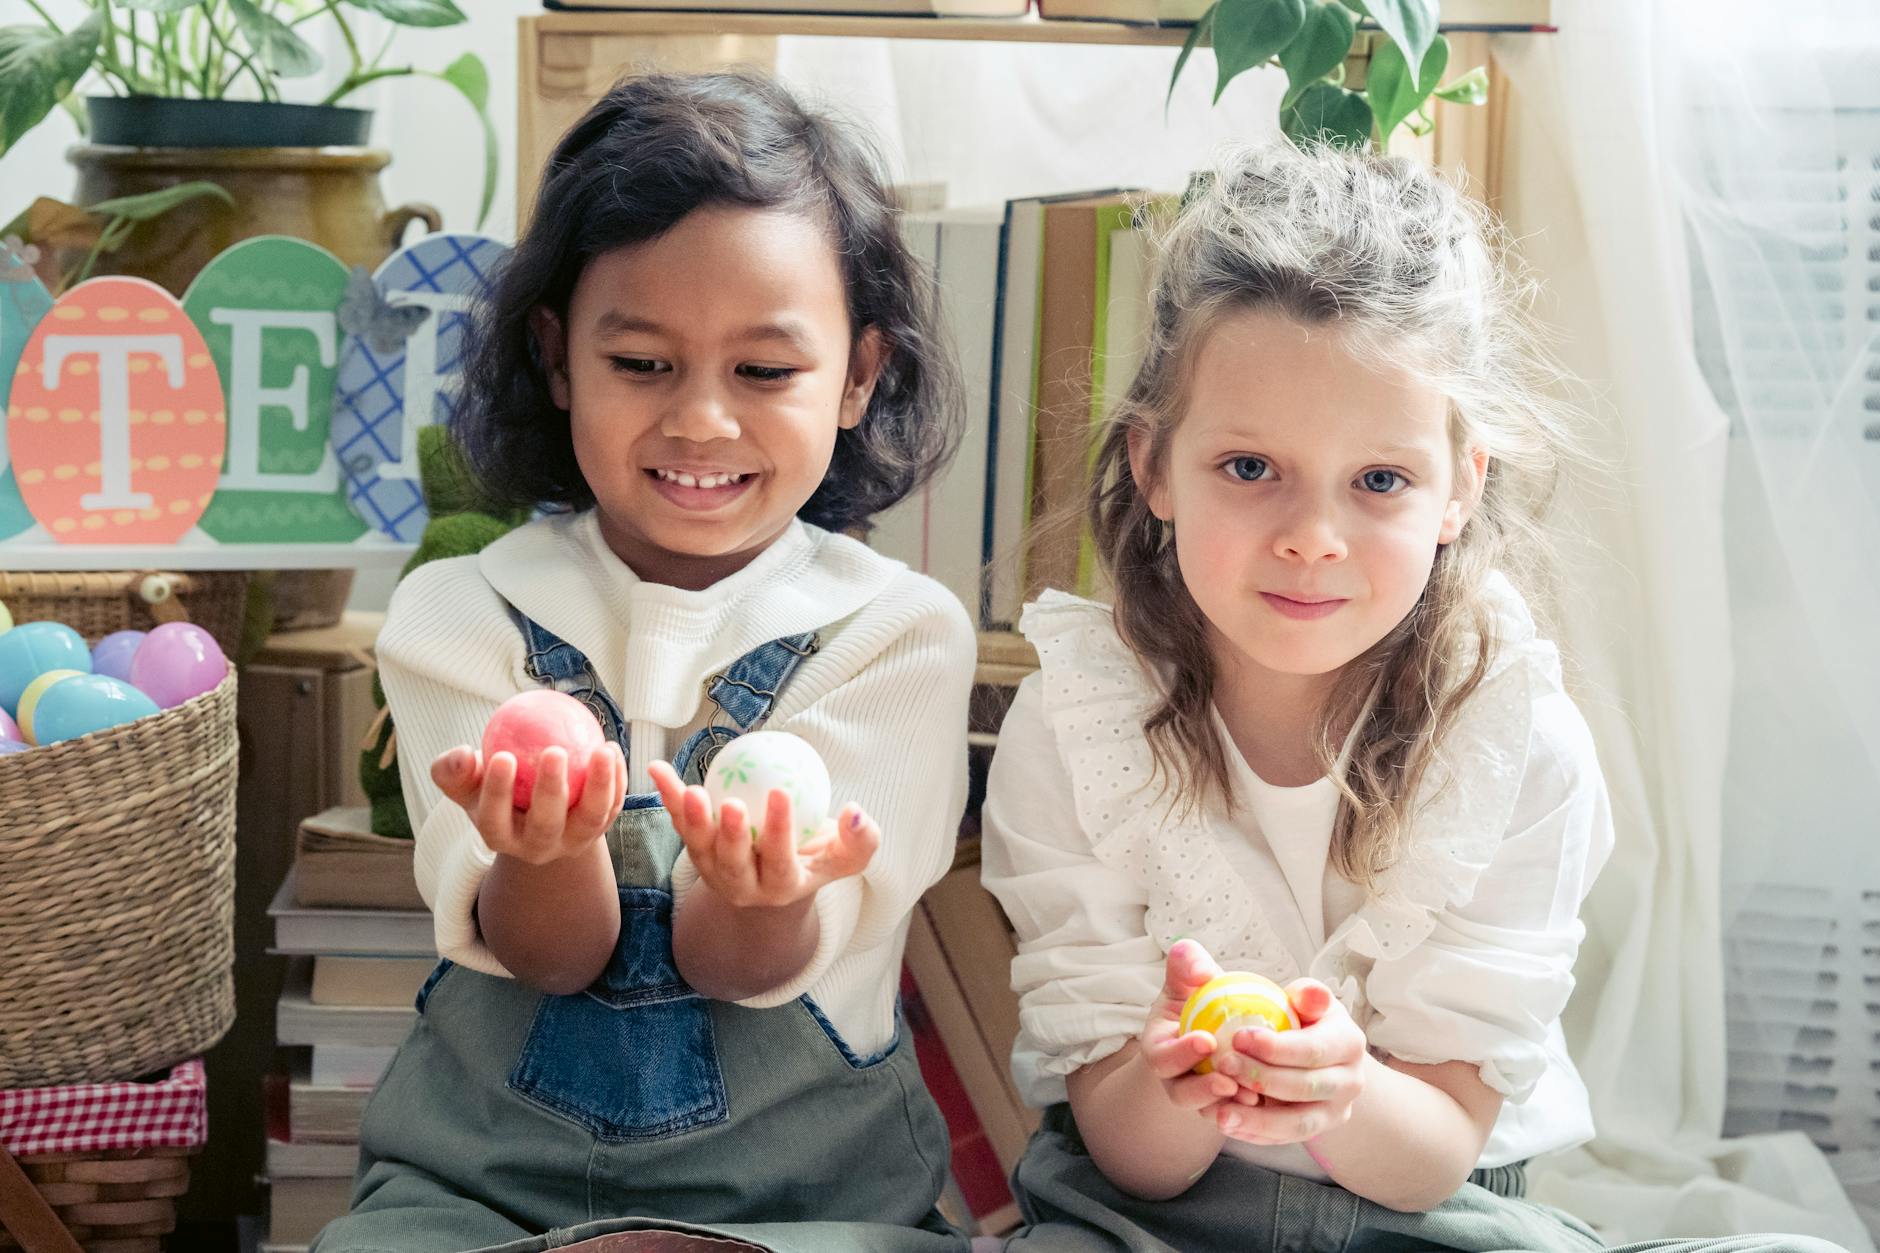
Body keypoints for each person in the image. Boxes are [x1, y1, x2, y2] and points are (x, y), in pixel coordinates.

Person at [980, 142, 1844, 1253]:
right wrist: (1183, 1072)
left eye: (1377, 480)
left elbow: (1432, 1145)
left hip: (1435, 1215)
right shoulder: (1075, 721)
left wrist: (1338, 1088)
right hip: (1141, 1215)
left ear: (1456, 488)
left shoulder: (1512, 742)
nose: (1310, 535)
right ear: (1152, 465)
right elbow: (1131, 1149)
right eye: (1248, 466)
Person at [314, 68, 977, 1253]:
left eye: (764, 371)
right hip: (479, 1196)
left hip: (813, 1204)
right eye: (642, 364)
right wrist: (550, 849)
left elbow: (744, 966)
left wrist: (756, 888)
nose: (702, 421)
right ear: (557, 357)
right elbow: (549, 954)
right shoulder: (461, 611)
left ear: (859, 376)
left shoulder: (895, 633)